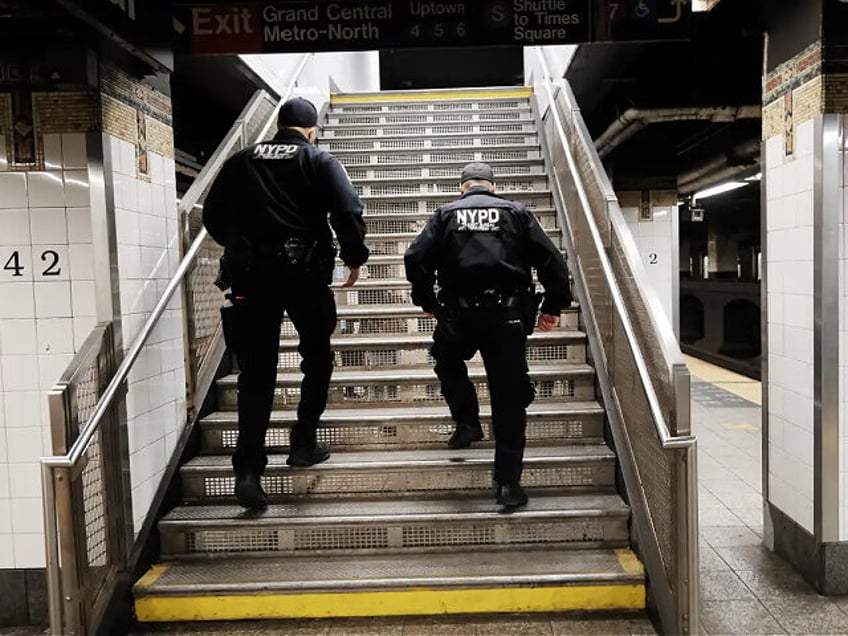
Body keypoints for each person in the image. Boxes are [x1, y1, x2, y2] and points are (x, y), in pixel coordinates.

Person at [203, 97, 369, 510]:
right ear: (311, 129)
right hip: (304, 274)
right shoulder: (319, 160)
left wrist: (241, 247)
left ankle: (247, 470)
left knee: (255, 374)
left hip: (250, 278)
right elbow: (347, 211)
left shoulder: (241, 160)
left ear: (279, 125)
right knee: (316, 358)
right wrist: (354, 256)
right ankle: (303, 442)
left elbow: (211, 214)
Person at [404, 161, 571, 509]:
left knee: (447, 361)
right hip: (507, 317)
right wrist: (553, 306)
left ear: (462, 188)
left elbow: (414, 257)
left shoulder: (445, 214)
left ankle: (467, 422)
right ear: (492, 187)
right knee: (508, 398)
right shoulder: (516, 213)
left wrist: (427, 301)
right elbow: (552, 261)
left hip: (459, 316)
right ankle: (508, 483)